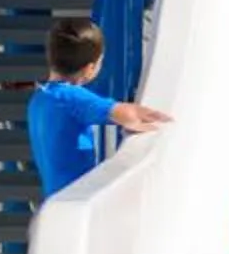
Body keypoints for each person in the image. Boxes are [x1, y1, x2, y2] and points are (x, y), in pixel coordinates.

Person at [28, 17, 173, 198]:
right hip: (75, 197)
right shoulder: (71, 97)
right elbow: (125, 114)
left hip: (54, 197)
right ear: (90, 68)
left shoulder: (40, 98)